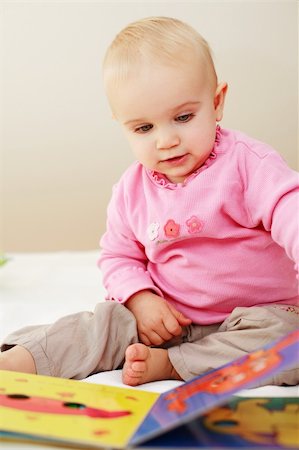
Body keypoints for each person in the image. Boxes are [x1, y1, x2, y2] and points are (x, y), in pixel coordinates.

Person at [0, 16, 298, 387]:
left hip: (254, 318)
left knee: (289, 339)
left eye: (183, 117)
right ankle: (20, 360)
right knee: (101, 325)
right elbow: (119, 257)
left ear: (217, 102)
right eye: (144, 128)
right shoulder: (131, 190)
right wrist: (141, 299)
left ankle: (174, 365)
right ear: (122, 124)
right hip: (163, 319)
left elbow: (291, 210)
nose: (166, 140)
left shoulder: (248, 165)